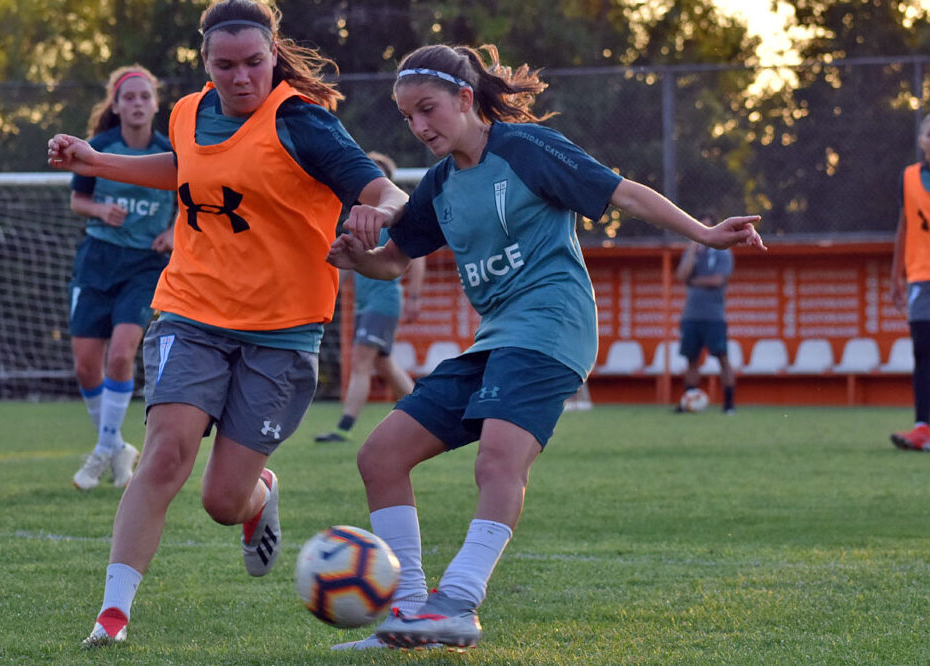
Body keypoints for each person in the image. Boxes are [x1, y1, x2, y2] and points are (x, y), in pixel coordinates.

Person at [326, 43, 765, 650]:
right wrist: (357, 262)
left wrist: (704, 233)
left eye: (428, 109)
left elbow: (623, 193)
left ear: (464, 97)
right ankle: (409, 613)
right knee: (379, 456)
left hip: (552, 323)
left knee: (499, 460)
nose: (420, 126)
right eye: (408, 117)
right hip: (495, 338)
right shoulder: (439, 185)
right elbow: (395, 262)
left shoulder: (525, 151)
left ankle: (455, 602)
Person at [47, 0, 408, 648]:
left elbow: (384, 191)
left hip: (283, 333)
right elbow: (183, 167)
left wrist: (375, 213)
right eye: (225, 65)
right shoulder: (187, 112)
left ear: (274, 56)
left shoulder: (304, 124)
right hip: (191, 310)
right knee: (164, 454)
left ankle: (257, 495)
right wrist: (96, 163)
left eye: (253, 63)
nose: (240, 78)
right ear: (205, 63)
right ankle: (113, 613)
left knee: (221, 502)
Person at [66, 65, 177, 491]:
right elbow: (79, 200)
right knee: (85, 364)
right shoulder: (99, 147)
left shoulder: (171, 152)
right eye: (128, 97)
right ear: (115, 105)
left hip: (144, 266)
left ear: (155, 104)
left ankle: (102, 450)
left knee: (120, 356)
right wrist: (100, 210)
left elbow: (192, 202)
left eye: (144, 96)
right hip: (96, 262)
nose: (136, 103)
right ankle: (116, 448)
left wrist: (172, 232)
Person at [315, 152, 427, 444]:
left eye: (374, 174)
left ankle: (343, 428)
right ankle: (425, 417)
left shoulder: (394, 217)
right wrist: (323, 297)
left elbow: (416, 257)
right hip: (368, 305)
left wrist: (414, 296)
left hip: (383, 302)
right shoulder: (360, 219)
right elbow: (349, 268)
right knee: (383, 365)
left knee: (362, 363)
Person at [889, 113, 930, 452]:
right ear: (921, 139)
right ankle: (923, 428)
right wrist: (895, 278)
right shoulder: (909, 178)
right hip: (920, 277)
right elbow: (903, 227)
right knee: (922, 351)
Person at [674, 214, 736, 415]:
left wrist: (694, 281)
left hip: (714, 317)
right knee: (691, 360)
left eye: (709, 228)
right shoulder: (692, 252)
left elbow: (716, 280)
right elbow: (682, 275)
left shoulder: (723, 253)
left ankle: (728, 405)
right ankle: (688, 401)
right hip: (691, 316)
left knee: (722, 358)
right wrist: (692, 251)